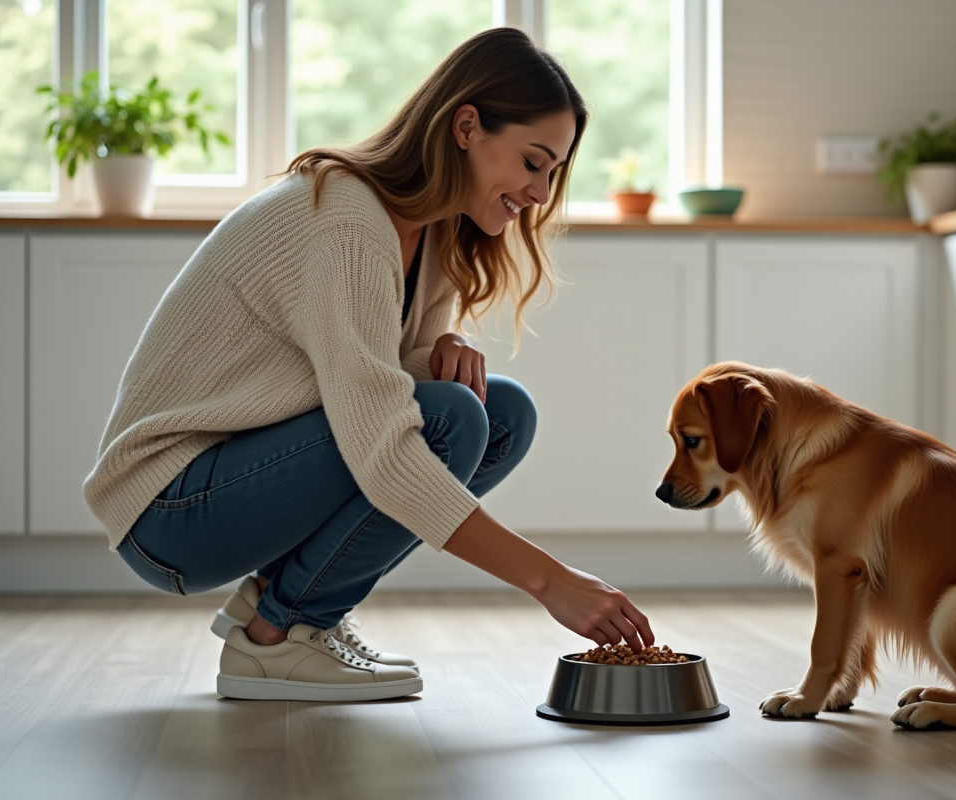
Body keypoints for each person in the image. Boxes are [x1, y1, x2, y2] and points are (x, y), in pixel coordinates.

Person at [83, 27, 654, 702]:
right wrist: (549, 581)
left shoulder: (433, 233)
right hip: (170, 509)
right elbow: (383, 446)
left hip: (235, 478)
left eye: (552, 173)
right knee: (450, 418)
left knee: (502, 413)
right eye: (534, 162)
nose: (539, 191)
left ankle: (280, 610)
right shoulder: (347, 221)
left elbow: (359, 375)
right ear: (466, 127)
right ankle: (281, 635)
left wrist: (435, 351)